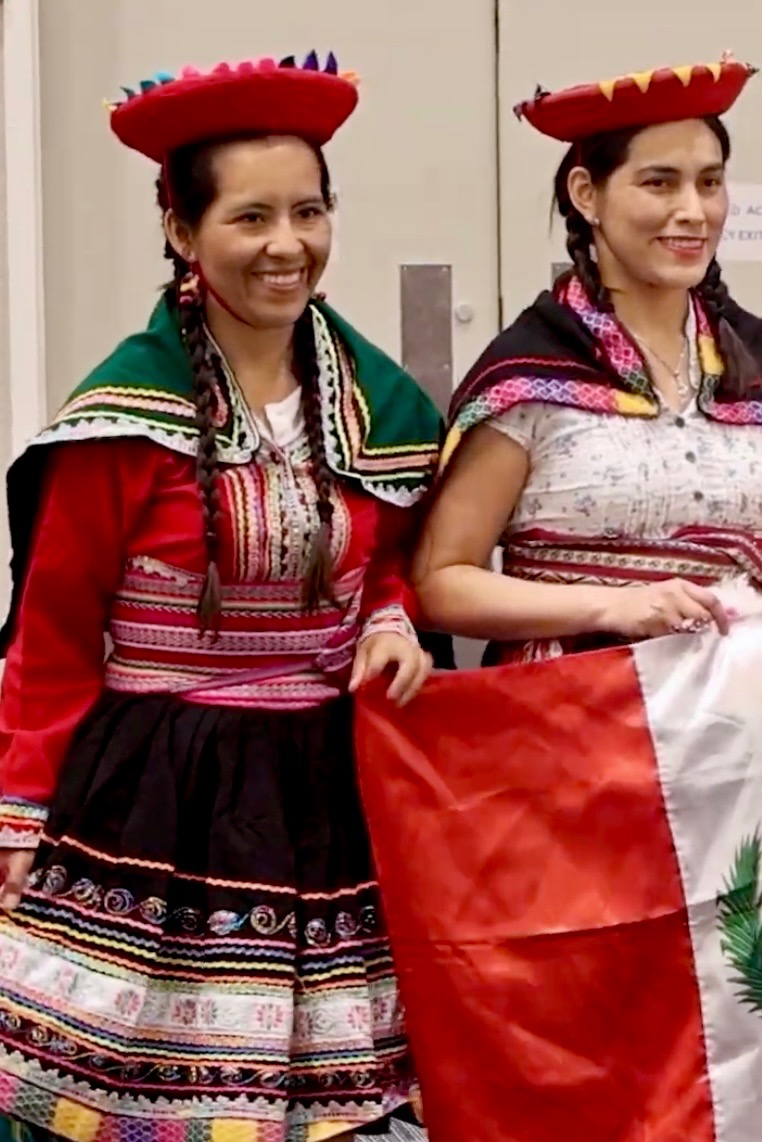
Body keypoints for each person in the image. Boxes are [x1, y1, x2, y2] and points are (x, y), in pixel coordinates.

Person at [0, 52, 442, 1140]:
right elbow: (52, 636)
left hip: (326, 787)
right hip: (159, 791)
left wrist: (388, 620)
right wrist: (16, 819)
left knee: (340, 1100)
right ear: (182, 231)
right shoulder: (124, 421)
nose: (286, 245)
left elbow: (386, 559)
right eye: (250, 217)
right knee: (134, 1097)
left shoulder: (374, 402)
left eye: (308, 210)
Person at [413, 56, 762, 661]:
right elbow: (440, 582)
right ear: (587, 194)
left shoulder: (758, 365)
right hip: (568, 713)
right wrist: (610, 605)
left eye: (710, 182)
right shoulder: (534, 371)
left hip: (730, 714)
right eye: (659, 183)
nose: (694, 209)